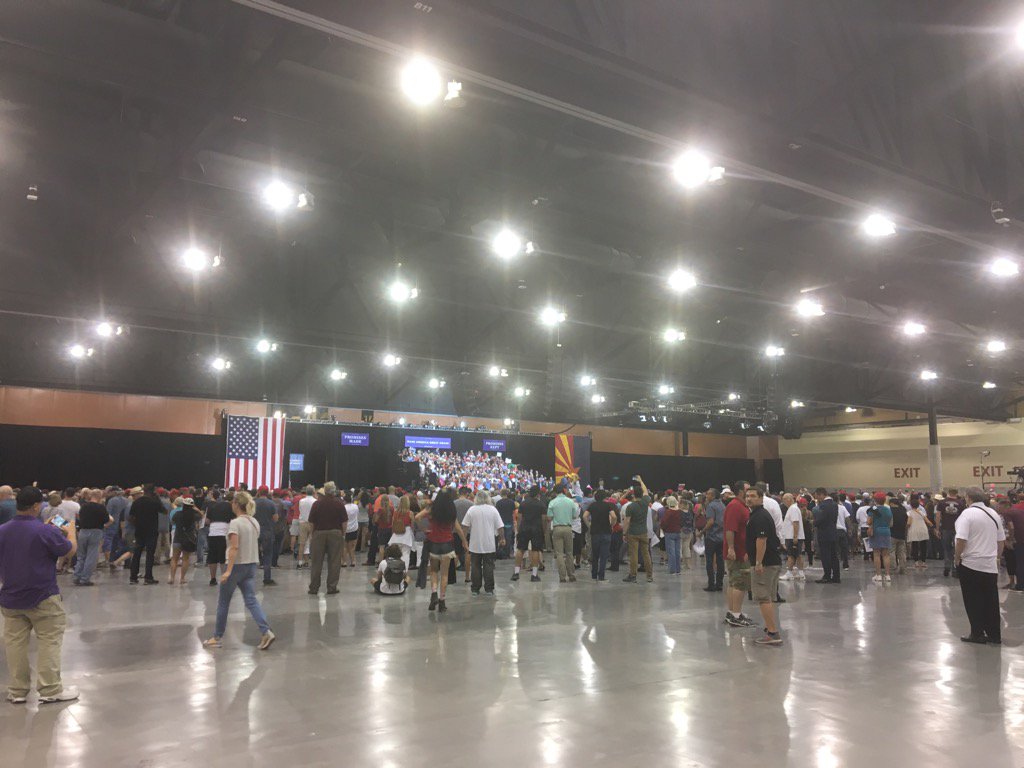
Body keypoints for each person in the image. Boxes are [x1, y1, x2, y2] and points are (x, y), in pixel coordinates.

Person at [0, 486, 79, 703]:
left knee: (15, 644)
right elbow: (69, 550)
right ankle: (50, 689)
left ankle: (17, 691)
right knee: (49, 641)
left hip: (11, 597)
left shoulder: (3, 530)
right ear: (36, 506)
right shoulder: (45, 531)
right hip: (43, 595)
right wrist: (71, 531)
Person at [203, 491, 275, 650]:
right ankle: (266, 631)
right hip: (251, 565)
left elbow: (234, 547)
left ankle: (217, 637)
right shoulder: (254, 522)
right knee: (251, 600)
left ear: (236, 504)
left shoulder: (235, 523)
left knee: (223, 602)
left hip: (236, 566)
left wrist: (228, 571)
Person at [955, 487, 1005, 645]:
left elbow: (961, 539)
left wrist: (957, 557)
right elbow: (1001, 541)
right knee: (991, 600)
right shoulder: (993, 514)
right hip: (990, 564)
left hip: (971, 564)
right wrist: (997, 557)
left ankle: (977, 633)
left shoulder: (967, 514)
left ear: (968, 498)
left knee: (973, 600)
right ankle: (994, 635)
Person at [415, 490, 468, 612]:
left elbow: (417, 517)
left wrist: (424, 529)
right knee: (444, 574)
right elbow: (458, 529)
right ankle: (442, 601)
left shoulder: (432, 508)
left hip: (433, 543)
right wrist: (464, 542)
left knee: (434, 571)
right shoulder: (451, 510)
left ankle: (434, 593)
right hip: (447, 544)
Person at [745, 487, 783, 646]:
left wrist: (758, 562)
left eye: (753, 496)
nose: (749, 498)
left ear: (761, 498)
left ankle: (773, 633)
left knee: (763, 598)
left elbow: (762, 540)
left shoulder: (760, 516)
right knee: (768, 597)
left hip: (766, 563)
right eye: (747, 496)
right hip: (771, 562)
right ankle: (770, 627)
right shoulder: (756, 514)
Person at [723, 485, 755, 627]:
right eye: (748, 490)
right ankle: (735, 615)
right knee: (740, 583)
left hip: (740, 550)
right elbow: (730, 529)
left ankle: (733, 612)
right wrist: (731, 548)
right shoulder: (735, 506)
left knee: (734, 582)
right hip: (738, 552)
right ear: (741, 491)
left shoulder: (741, 506)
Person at [462, 490, 505, 595]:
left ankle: (475, 589)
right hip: (489, 543)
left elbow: (465, 526)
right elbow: (500, 526)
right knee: (489, 566)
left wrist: (464, 540)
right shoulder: (493, 509)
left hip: (475, 544)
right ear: (488, 498)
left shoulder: (472, 509)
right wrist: (502, 538)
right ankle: (489, 589)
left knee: (475, 566)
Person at [308, 482, 347, 595]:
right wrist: (343, 534)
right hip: (335, 533)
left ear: (324, 491)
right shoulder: (339, 504)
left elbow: (311, 522)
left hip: (319, 533)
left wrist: (312, 534)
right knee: (334, 561)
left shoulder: (317, 504)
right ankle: (332, 587)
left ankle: (314, 587)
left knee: (316, 561)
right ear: (334, 491)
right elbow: (344, 522)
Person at [73, 488, 109, 586]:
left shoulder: (83, 506)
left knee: (81, 556)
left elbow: (79, 518)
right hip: (96, 532)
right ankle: (85, 579)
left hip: (83, 531)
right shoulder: (101, 507)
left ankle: (76, 576)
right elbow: (106, 520)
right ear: (99, 497)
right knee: (91, 556)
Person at [128, 484, 163, 585]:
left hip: (139, 531)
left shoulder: (136, 503)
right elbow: (163, 511)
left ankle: (133, 577)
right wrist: (157, 498)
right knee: (150, 554)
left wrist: (137, 524)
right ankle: (148, 577)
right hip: (152, 531)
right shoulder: (154, 502)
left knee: (137, 554)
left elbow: (131, 518)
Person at [622, 477, 654, 583]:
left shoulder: (630, 507)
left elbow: (627, 521)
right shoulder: (645, 502)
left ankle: (633, 575)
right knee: (646, 554)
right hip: (644, 532)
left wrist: (624, 533)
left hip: (633, 533)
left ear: (633, 495)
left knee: (634, 555)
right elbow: (645, 491)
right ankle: (649, 576)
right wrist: (641, 481)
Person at [512, 486, 546, 582]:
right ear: (538, 494)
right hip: (536, 529)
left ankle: (516, 573)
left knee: (520, 549)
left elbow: (519, 518)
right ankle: (534, 575)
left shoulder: (523, 503)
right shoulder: (541, 504)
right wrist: (544, 530)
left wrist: (518, 530)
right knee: (535, 550)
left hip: (524, 528)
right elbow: (544, 519)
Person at [547, 486, 579, 583]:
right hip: (568, 528)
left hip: (557, 528)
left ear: (555, 492)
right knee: (569, 552)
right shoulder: (570, 502)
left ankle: (562, 577)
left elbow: (549, 518)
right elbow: (575, 516)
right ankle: (571, 575)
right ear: (564, 491)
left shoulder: (552, 502)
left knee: (559, 553)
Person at [583, 489, 616, 581]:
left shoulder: (592, 505)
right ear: (605, 497)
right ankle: (601, 576)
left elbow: (585, 516)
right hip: (606, 532)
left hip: (595, 533)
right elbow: (614, 516)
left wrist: (589, 525)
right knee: (603, 556)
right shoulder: (608, 505)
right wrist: (612, 525)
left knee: (595, 555)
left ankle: (594, 575)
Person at [205, 491, 234, 585]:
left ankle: (212, 579)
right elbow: (234, 520)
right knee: (223, 557)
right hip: (224, 533)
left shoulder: (212, 506)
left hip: (212, 533)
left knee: (212, 557)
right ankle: (224, 578)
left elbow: (207, 521)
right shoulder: (231, 507)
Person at [169, 497, 199, 585]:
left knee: (174, 559)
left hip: (177, 538)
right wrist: (195, 508)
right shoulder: (194, 515)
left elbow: (172, 522)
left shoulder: (177, 514)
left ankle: (172, 578)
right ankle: (182, 578)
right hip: (188, 540)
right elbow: (202, 516)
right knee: (185, 559)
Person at [812, 488, 840, 584]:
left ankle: (827, 576)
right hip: (833, 532)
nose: (817, 499)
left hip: (824, 533)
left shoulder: (823, 505)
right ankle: (836, 576)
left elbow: (822, 519)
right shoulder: (835, 504)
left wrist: (814, 522)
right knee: (834, 556)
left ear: (821, 495)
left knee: (825, 556)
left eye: (817, 497)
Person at [253, 486, 279, 586]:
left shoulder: (253, 503)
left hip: (255, 531)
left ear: (259, 492)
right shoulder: (271, 503)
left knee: (253, 555)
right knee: (268, 555)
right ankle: (267, 578)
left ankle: (250, 578)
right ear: (267, 492)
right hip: (267, 531)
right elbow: (275, 518)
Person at [702, 488, 726, 592]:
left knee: (709, 561)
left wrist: (702, 531)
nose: (706, 496)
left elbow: (710, 522)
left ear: (712, 496)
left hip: (712, 537)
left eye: (708, 494)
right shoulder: (722, 505)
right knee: (720, 561)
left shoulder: (710, 506)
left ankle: (711, 584)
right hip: (721, 537)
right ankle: (719, 584)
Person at [867, 492, 893, 584]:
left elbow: (869, 522)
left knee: (877, 554)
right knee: (886, 554)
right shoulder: (888, 509)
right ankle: (888, 575)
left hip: (876, 532)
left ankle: (878, 575)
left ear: (875, 500)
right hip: (886, 531)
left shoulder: (873, 509)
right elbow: (891, 523)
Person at [780, 494, 806, 581]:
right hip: (792, 536)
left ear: (789, 499)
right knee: (797, 555)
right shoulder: (793, 508)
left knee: (791, 555)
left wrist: (795, 536)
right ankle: (800, 574)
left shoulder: (793, 509)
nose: (783, 502)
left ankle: (789, 573)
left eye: (784, 499)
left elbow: (795, 523)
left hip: (792, 537)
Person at [936, 491, 963, 577]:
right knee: (956, 548)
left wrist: (937, 529)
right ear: (957, 493)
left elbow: (938, 516)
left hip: (945, 528)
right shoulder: (961, 503)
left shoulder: (942, 502)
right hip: (957, 529)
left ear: (948, 493)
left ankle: (947, 567)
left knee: (946, 548)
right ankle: (955, 569)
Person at [388, 494, 416, 568]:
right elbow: (413, 525)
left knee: (396, 555)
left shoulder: (395, 512)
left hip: (396, 535)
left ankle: (396, 569)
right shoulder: (410, 513)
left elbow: (393, 524)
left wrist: (392, 533)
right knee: (406, 554)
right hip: (406, 535)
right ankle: (404, 570)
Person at [1004, 494, 1024, 592]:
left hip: (1019, 540)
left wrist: (1010, 539)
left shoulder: (1009, 512)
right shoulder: (1018, 510)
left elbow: (1011, 527)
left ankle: (1020, 585)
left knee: (1020, 563)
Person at [907, 495, 932, 568]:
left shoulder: (909, 513)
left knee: (915, 546)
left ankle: (916, 563)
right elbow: (928, 521)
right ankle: (923, 562)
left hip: (914, 530)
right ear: (918, 505)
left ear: (911, 505)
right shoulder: (921, 512)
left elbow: (909, 523)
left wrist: (906, 528)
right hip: (923, 529)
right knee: (923, 546)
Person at [661, 496, 683, 575]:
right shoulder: (679, 512)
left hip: (669, 533)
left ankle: (672, 570)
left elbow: (663, 523)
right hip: (678, 532)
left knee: (671, 552)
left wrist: (663, 529)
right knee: (677, 551)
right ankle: (678, 570)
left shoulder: (668, 512)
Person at [297, 485, 316, 568]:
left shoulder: (301, 501)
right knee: (312, 543)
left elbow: (300, 510)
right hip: (312, 523)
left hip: (303, 522)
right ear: (313, 492)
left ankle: (300, 562)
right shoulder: (315, 501)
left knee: (302, 543)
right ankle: (312, 562)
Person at [890, 496, 909, 575]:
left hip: (892, 534)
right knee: (902, 552)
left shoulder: (890, 510)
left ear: (892, 503)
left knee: (891, 551)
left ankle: (893, 568)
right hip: (902, 534)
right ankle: (903, 568)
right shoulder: (903, 510)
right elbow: (907, 521)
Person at [495, 490, 516, 559]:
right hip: (509, 522)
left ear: (501, 494)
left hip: (500, 523)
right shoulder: (512, 502)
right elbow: (513, 513)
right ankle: (507, 553)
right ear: (507, 494)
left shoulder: (498, 503)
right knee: (508, 538)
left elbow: (497, 513)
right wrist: (514, 522)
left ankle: (501, 553)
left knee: (501, 537)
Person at [343, 491, 360, 567]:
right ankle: (353, 561)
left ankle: (344, 562)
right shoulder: (355, 506)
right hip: (354, 528)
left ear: (344, 500)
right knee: (352, 547)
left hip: (345, 529)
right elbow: (357, 514)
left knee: (344, 547)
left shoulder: (344, 508)